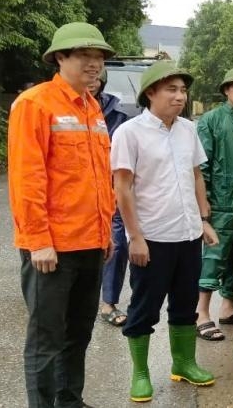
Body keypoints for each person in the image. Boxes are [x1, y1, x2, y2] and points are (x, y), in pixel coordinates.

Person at [8, 21, 116, 408]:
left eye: (99, 56)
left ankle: (70, 400)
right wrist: (38, 241)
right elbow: (27, 178)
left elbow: (99, 178)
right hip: (52, 248)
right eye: (85, 55)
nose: (94, 63)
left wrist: (105, 235)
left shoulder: (92, 108)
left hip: (90, 243)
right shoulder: (35, 104)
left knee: (79, 334)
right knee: (46, 339)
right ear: (60, 57)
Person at [112, 61, 219, 402]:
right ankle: (141, 373)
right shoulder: (130, 133)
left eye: (183, 90)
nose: (180, 96)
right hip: (152, 238)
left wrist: (203, 219)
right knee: (145, 306)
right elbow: (123, 188)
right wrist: (135, 237)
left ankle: (184, 362)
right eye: (171, 90)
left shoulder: (188, 129)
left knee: (186, 303)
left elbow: (197, 175)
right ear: (150, 94)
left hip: (187, 235)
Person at [194, 67, 233, 341]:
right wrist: (204, 204)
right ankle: (201, 313)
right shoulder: (211, 120)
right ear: (226, 90)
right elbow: (201, 164)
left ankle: (228, 307)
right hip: (221, 201)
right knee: (213, 257)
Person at [88, 69, 130, 328]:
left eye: (97, 79)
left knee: (117, 244)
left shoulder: (118, 116)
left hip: (110, 190)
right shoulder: (59, 110)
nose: (91, 83)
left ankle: (108, 303)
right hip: (75, 196)